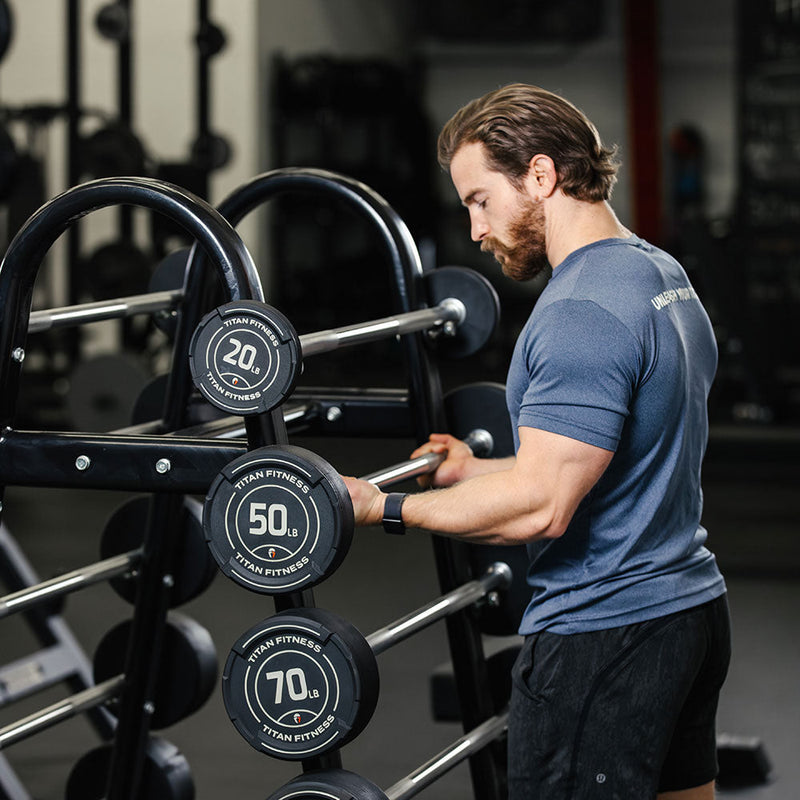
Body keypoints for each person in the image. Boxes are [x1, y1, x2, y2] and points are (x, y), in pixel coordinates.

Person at [342, 83, 730, 800]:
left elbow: (542, 509)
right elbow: (613, 451)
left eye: (480, 199)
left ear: (541, 176)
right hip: (687, 613)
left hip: (603, 633)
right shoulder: (657, 273)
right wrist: (478, 468)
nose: (473, 229)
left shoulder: (579, 310)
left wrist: (378, 508)